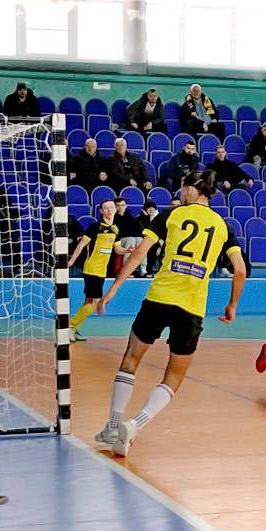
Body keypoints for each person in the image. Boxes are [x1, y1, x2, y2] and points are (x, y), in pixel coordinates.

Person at [93, 170, 247, 456]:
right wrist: (232, 305)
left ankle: (113, 426)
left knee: (131, 360)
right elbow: (240, 270)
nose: (179, 193)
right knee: (174, 376)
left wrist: (113, 290)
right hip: (191, 308)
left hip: (159, 298)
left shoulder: (171, 214)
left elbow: (139, 252)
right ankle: (134, 426)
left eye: (182, 188)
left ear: (191, 189)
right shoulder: (224, 226)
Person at [65, 199, 132, 342]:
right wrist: (71, 261)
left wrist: (128, 250)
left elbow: (117, 249)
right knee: (94, 303)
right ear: (101, 211)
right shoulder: (95, 227)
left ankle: (74, 329)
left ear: (115, 209)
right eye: (106, 208)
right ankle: (70, 325)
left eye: (111, 207)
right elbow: (81, 244)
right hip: (92, 268)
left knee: (88, 302)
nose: (109, 210)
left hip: (102, 271)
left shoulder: (116, 229)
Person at [135, 201, 163, 276]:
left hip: (157, 240)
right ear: (145, 210)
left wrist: (161, 240)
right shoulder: (140, 218)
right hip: (146, 240)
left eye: (153, 208)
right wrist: (145, 216)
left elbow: (163, 231)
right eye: (148, 208)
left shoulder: (159, 219)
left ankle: (159, 269)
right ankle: (149, 268)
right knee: (151, 246)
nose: (151, 210)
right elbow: (143, 231)